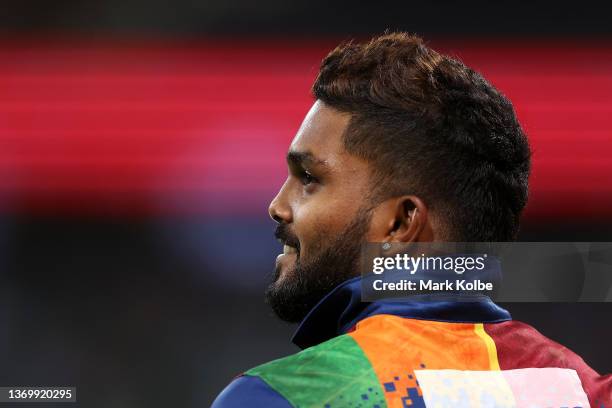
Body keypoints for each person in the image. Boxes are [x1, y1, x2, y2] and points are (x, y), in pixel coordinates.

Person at [212, 32, 611, 407]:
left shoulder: (286, 397)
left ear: (401, 223)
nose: (278, 206)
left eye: (310, 179)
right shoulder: (589, 393)